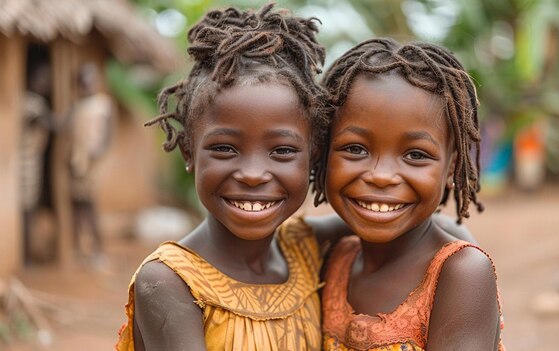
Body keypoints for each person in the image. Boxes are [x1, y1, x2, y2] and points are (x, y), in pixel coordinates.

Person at [116, 4, 332, 350]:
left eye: (282, 151)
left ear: (314, 156)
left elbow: (421, 237)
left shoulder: (307, 249)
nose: (251, 174)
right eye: (225, 149)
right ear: (188, 151)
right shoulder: (170, 281)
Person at [312, 39, 506, 350]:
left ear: (451, 167)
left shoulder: (461, 273)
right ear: (322, 154)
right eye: (355, 149)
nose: (381, 175)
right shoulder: (335, 260)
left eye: (415, 155)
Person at [67, 63, 114, 264]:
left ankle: (97, 250)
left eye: (90, 80)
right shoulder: (76, 106)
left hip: (93, 162)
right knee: (76, 204)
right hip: (76, 161)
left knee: (90, 204)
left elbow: (109, 134)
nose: (87, 85)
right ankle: (80, 249)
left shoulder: (103, 104)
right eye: (83, 82)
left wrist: (99, 151)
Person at [21, 61, 53, 264]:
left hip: (32, 163)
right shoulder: (31, 102)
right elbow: (50, 123)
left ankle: (27, 254)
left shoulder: (35, 102)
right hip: (26, 165)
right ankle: (25, 255)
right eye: (43, 79)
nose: (46, 84)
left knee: (30, 209)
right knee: (27, 210)